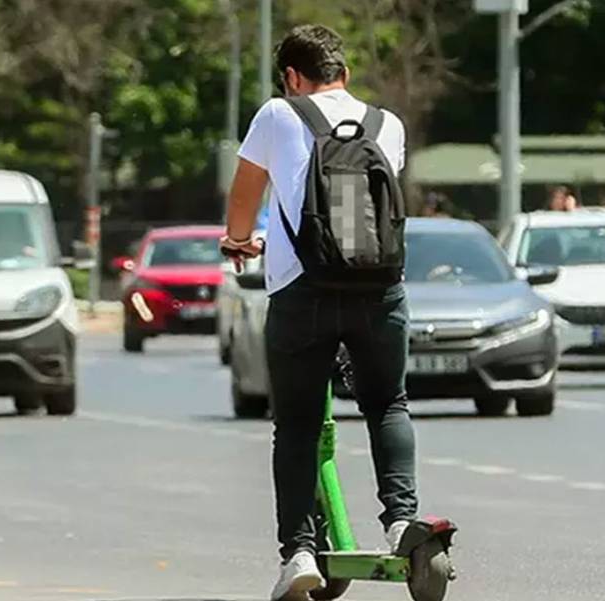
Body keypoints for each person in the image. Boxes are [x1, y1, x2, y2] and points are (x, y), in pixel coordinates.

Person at [219, 24, 417, 601]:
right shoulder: (388, 125)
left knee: (298, 426)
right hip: (379, 287)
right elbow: (363, 214)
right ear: (345, 75)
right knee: (387, 403)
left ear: (291, 78)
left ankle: (299, 552)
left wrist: (237, 242)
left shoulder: (278, 115)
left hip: (301, 290)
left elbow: (245, 194)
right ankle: (403, 522)